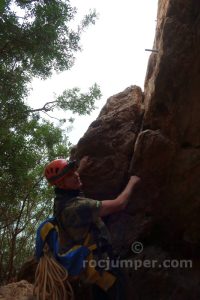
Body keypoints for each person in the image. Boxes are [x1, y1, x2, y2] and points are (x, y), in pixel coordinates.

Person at [44, 157, 141, 299]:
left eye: (74, 171)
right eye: (70, 175)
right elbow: (119, 204)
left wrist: (78, 169)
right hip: (104, 268)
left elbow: (73, 189)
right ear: (60, 183)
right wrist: (133, 181)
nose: (76, 175)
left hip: (93, 270)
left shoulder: (60, 201)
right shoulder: (77, 207)